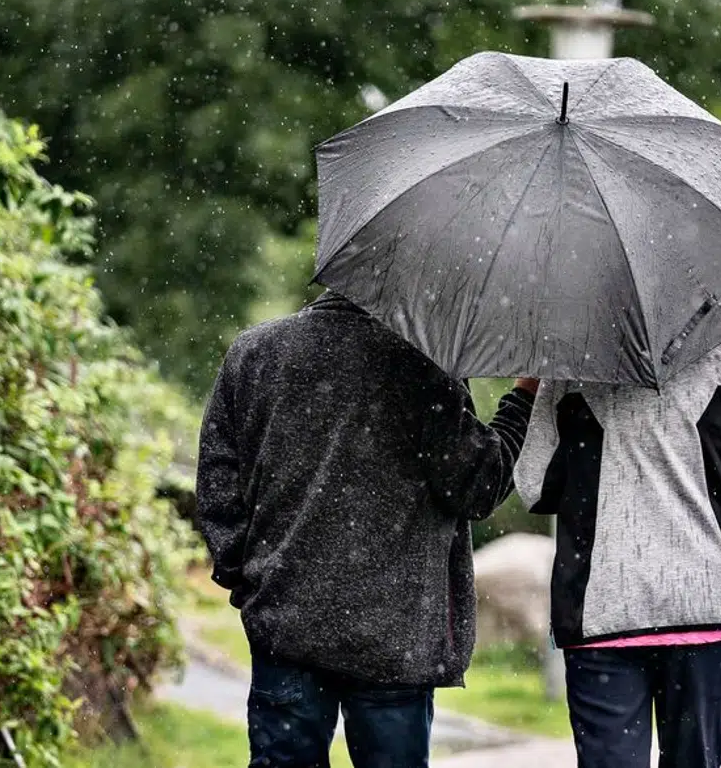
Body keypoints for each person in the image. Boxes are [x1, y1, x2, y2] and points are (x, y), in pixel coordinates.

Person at [195, 290, 537, 768]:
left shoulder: (255, 353)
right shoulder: (424, 363)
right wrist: (522, 398)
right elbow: (478, 487)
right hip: (395, 638)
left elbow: (217, 486)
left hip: (285, 624)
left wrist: (251, 582)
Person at [514, 330, 721, 768]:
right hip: (705, 614)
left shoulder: (571, 351)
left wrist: (535, 394)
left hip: (603, 613)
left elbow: (535, 487)